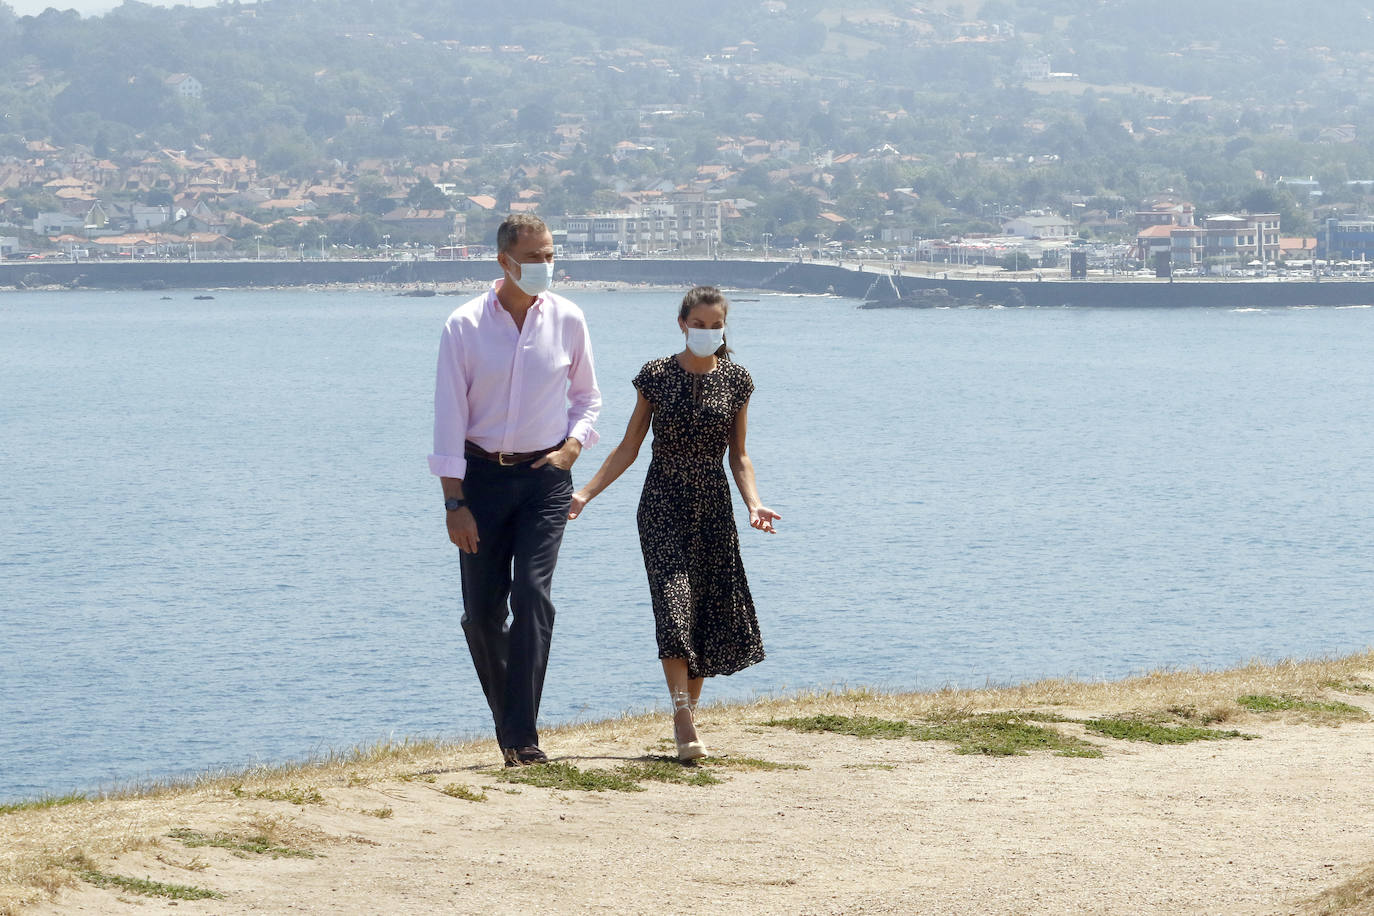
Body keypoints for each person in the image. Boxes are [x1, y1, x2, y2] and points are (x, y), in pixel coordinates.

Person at [567, 285, 779, 761]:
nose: (707, 332)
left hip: (713, 508)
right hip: (662, 504)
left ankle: (687, 718)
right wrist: (585, 493)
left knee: (703, 612)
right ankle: (683, 720)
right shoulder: (657, 376)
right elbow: (628, 447)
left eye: (715, 325)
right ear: (682, 323)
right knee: (674, 605)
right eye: (698, 324)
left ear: (725, 328)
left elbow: (739, 456)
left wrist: (754, 504)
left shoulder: (738, 380)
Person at [428, 213, 601, 768]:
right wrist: (454, 502)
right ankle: (512, 723)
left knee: (531, 594)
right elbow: (448, 419)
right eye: (534, 259)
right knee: (481, 615)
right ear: (504, 261)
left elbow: (587, 397)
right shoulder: (463, 326)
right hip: (481, 481)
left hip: (545, 479)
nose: (546, 267)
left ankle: (522, 738)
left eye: (551, 256)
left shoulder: (570, 319)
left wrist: (573, 447)